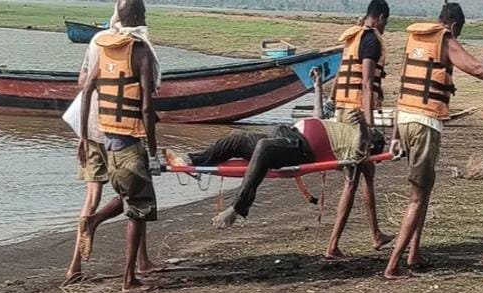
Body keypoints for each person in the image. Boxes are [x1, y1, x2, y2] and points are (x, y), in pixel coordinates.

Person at [384, 2, 483, 279]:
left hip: (404, 120)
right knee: (417, 197)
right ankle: (392, 266)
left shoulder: (415, 38)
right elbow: (476, 68)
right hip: (424, 123)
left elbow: (404, 84)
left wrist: (394, 136)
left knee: (425, 189)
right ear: (453, 26)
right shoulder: (445, 39)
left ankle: (414, 253)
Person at [166, 69, 387, 233]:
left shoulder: (359, 146)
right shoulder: (346, 128)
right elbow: (317, 116)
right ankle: (190, 160)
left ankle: (237, 208)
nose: (372, 131)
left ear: (371, 145)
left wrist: (363, 127)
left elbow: (360, 151)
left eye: (373, 135)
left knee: (264, 147)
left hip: (300, 149)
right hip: (287, 134)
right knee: (237, 139)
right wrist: (318, 87)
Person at [78, 0, 161, 292]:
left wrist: (83, 138)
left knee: (129, 196)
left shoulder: (105, 48)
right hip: (131, 143)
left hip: (109, 142)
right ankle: (129, 279)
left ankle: (94, 220)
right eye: (144, 12)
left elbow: (87, 90)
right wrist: (153, 151)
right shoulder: (141, 53)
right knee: (139, 211)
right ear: (138, 16)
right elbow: (147, 109)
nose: (146, 16)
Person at [63, 37, 156, 286]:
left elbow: (83, 83)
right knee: (136, 196)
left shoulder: (98, 42)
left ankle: (74, 267)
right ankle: (138, 265)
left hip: (93, 127)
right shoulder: (138, 46)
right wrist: (153, 147)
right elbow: (147, 101)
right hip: (120, 131)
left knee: (93, 198)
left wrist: (82, 137)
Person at [325, 0, 393, 259]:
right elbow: (366, 83)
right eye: (385, 23)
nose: (385, 27)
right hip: (356, 117)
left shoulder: (353, 37)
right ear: (380, 18)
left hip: (344, 110)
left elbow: (339, 77)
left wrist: (331, 103)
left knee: (367, 173)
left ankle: (376, 234)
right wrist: (369, 125)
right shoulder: (371, 41)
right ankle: (333, 245)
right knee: (352, 179)